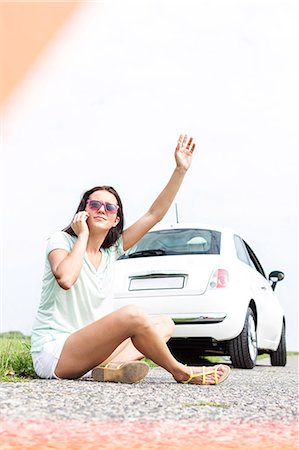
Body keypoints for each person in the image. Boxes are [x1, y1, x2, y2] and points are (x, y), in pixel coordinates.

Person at [31, 134, 230, 385]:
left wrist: (180, 170)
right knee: (132, 315)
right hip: (56, 354)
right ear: (83, 211)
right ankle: (181, 371)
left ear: (116, 219)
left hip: (91, 351)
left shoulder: (110, 251)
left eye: (110, 207)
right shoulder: (61, 241)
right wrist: (82, 236)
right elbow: (66, 278)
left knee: (163, 323)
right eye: (95, 204)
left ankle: (111, 368)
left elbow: (153, 214)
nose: (102, 209)